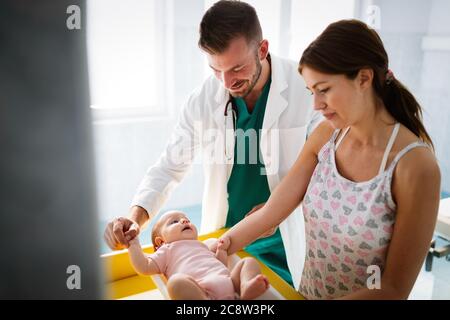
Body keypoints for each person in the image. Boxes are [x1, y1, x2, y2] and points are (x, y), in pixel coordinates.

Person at [215, 19, 441, 299]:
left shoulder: (415, 167)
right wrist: (220, 247)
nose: (316, 105)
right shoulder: (326, 136)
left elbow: (393, 289)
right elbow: (271, 213)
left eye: (324, 90)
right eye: (312, 92)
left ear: (364, 78)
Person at [104, 0, 319, 288]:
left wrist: (277, 206)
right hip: (226, 240)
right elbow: (169, 166)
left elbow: (328, 167)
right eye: (216, 70)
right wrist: (135, 218)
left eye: (237, 68)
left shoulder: (307, 88)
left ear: (262, 50)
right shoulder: (204, 99)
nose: (227, 82)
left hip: (290, 240)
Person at [128, 210, 269, 300]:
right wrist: (133, 244)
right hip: (201, 291)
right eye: (175, 222)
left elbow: (220, 265)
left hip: (230, 283)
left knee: (248, 262)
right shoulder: (166, 250)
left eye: (186, 219)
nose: (184, 221)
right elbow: (144, 266)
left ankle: (245, 288)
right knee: (176, 282)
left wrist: (222, 251)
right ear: (161, 242)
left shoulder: (203, 246)